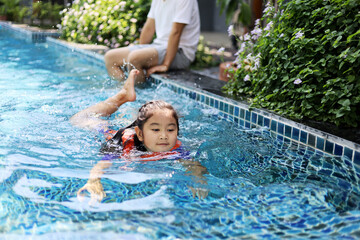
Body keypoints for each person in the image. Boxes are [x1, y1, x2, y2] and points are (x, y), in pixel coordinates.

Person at [70, 69, 208, 202]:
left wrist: (199, 180)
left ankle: (126, 98)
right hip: (107, 132)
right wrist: (93, 181)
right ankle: (122, 96)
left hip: (137, 128)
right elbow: (101, 164)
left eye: (170, 130)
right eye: (156, 130)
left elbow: (195, 166)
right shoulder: (125, 144)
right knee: (78, 119)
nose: (164, 136)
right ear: (140, 134)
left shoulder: (176, 148)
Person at [104, 0, 200, 83]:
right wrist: (142, 51)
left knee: (135, 58)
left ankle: (138, 99)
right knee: (110, 57)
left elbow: (176, 32)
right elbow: (149, 27)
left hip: (181, 52)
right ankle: (123, 92)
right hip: (159, 46)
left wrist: (165, 65)